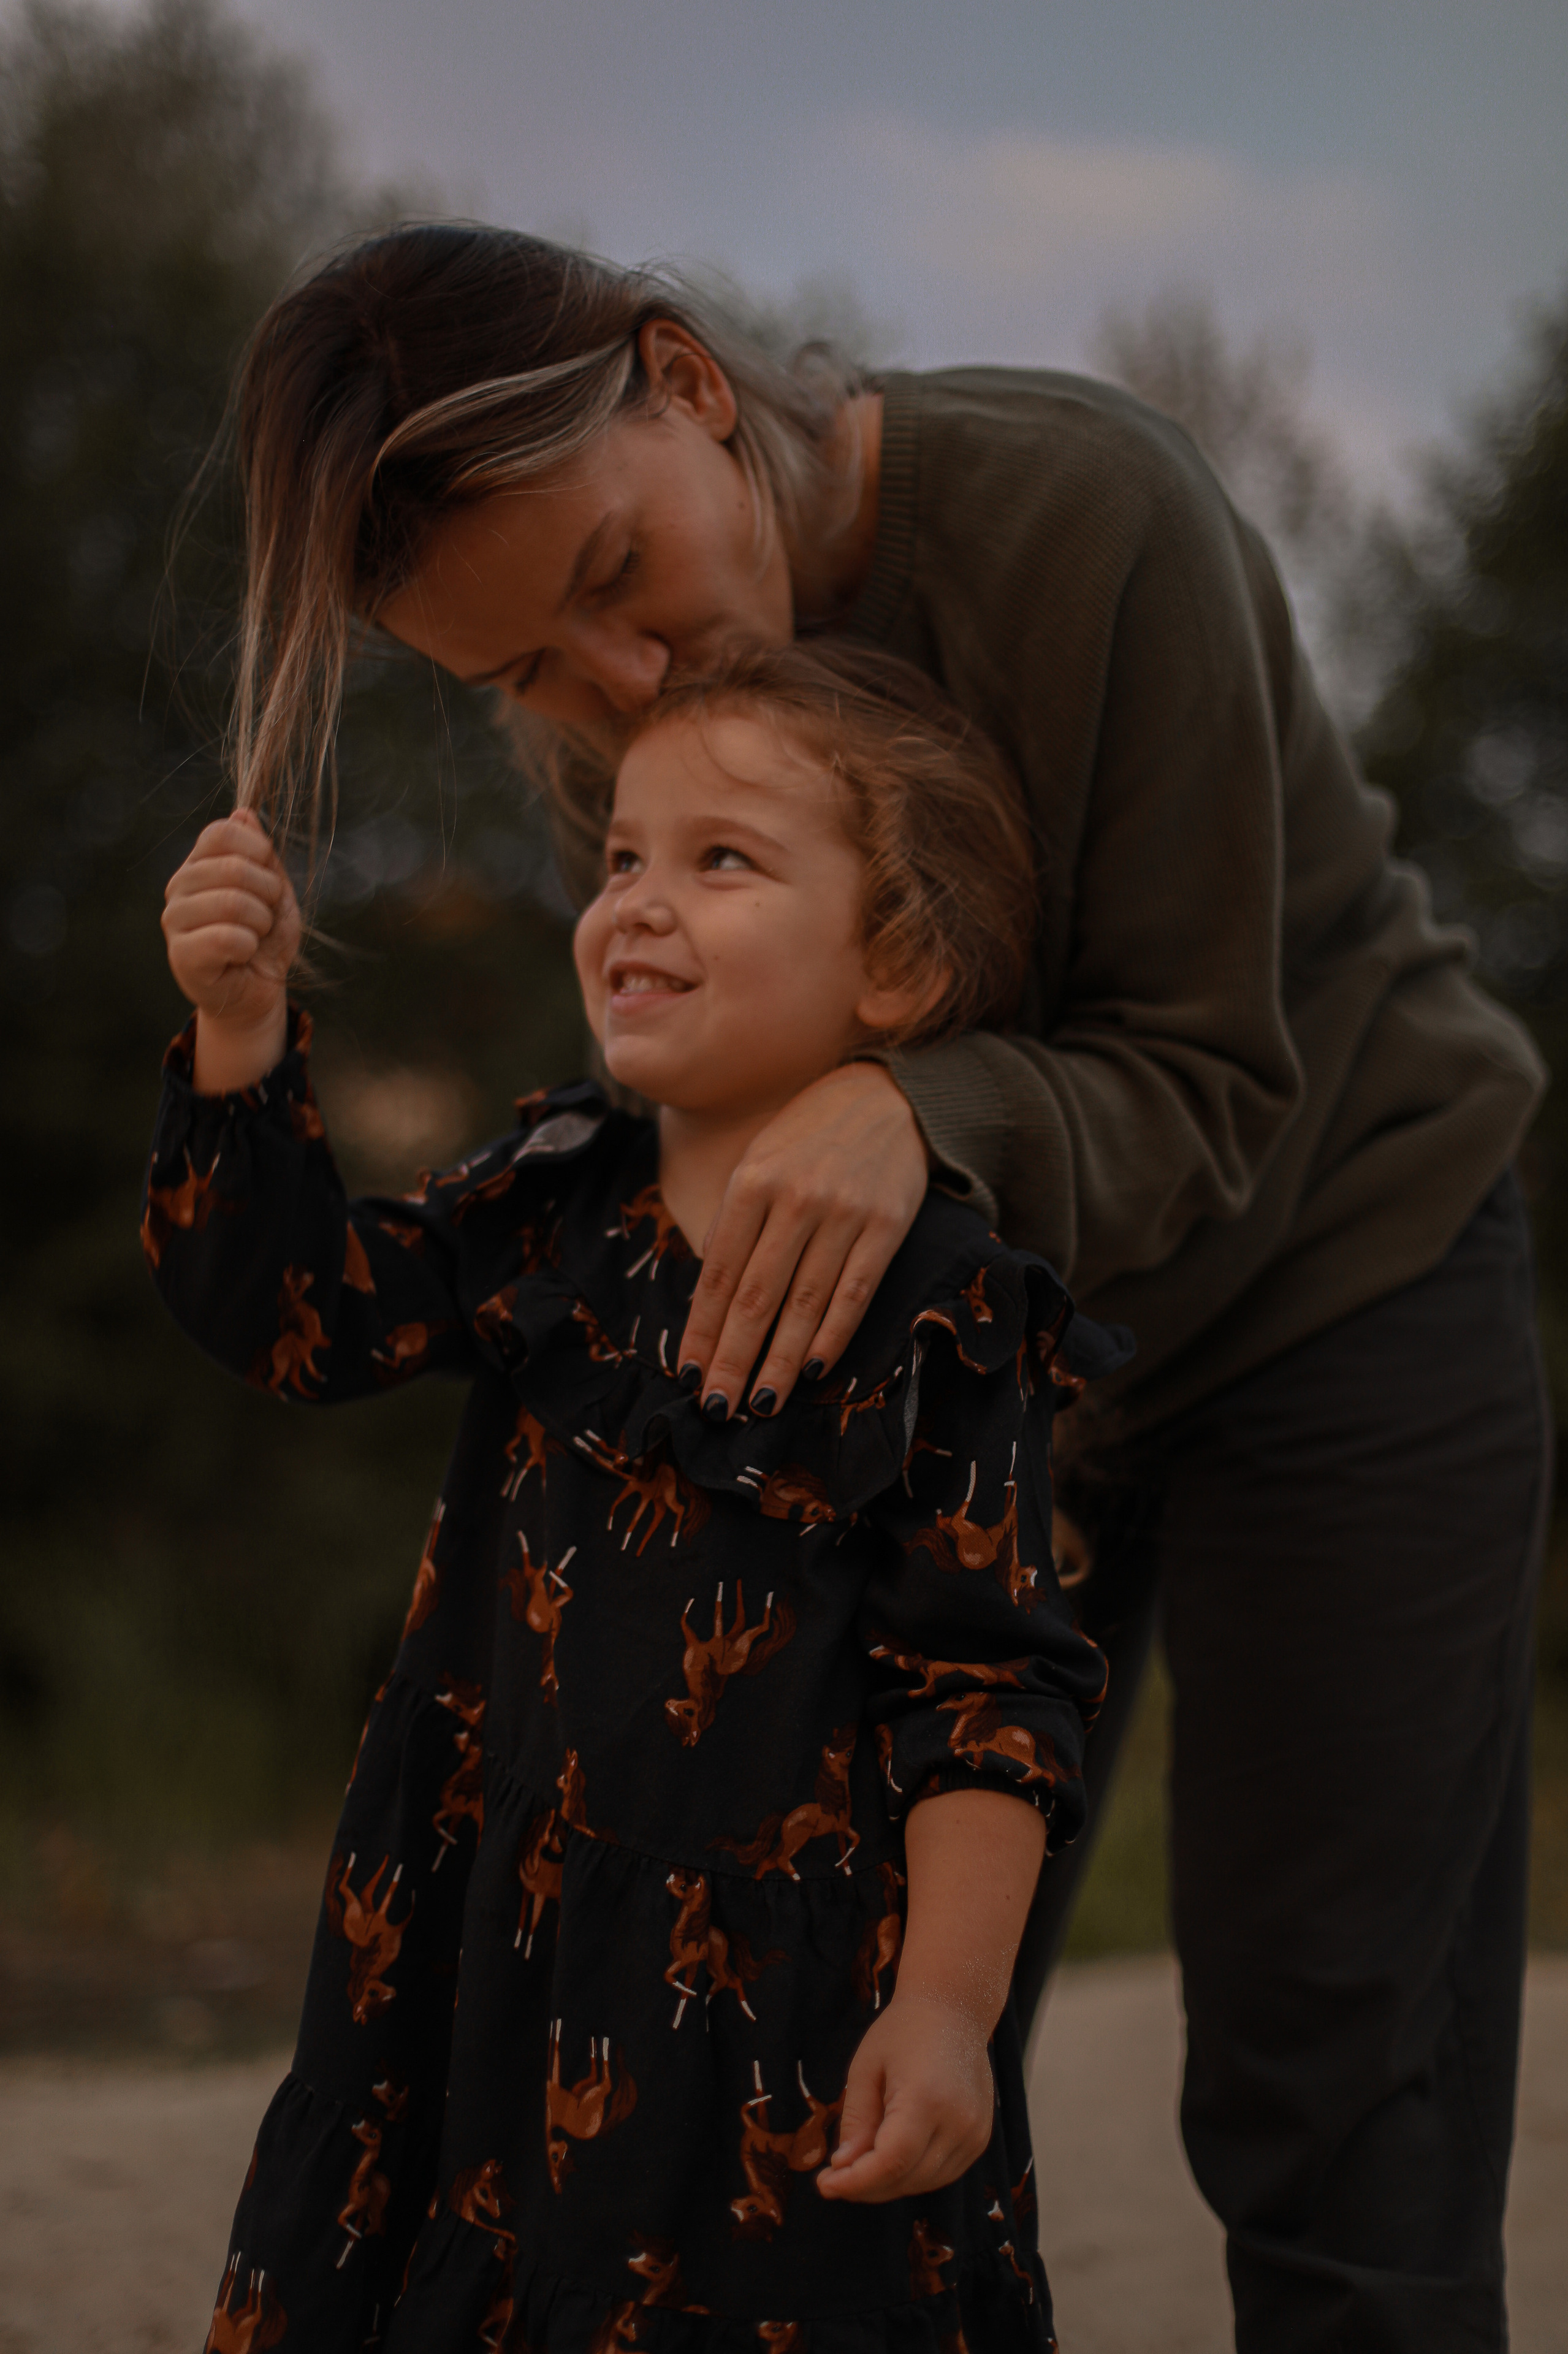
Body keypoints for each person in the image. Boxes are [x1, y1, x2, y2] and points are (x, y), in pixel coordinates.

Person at [207, 225, 1550, 2351]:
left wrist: (918, 1110)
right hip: (968, 1364)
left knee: (1333, 2070)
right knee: (854, 2041)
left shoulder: (1091, 515)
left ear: (690, 385)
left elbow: (1210, 1079)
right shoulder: (618, 735)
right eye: (525, 680)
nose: (616, 696)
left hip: (1335, 1275)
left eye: (610, 577)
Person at [148, 641, 1126, 2351]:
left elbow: (988, 1697)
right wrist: (242, 1029)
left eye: (720, 859)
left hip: (757, 2049)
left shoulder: (941, 1308)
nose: (639, 903)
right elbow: (299, 1320)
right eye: (621, 857)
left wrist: (954, 2011)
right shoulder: (550, 1201)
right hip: (474, 1982)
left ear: (894, 964)